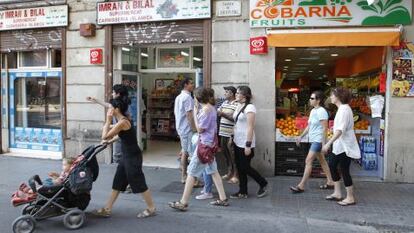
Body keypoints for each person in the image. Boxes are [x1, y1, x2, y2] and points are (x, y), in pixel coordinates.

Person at [92, 96, 156, 218]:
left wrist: (107, 120)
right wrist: (110, 142)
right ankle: (108, 208)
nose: (109, 109)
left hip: (132, 156)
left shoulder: (122, 122)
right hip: (126, 156)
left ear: (117, 109)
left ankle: (151, 208)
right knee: (118, 181)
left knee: (139, 182)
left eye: (110, 107)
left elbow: (105, 136)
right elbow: (122, 136)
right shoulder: (123, 120)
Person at [169, 87, 229, 211]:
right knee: (213, 171)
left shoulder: (206, 110)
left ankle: (183, 202)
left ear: (198, 98)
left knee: (191, 173)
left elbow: (200, 129)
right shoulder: (210, 108)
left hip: (204, 145)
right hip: (210, 144)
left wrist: (196, 115)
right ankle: (223, 198)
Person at [322, 87, 361, 206]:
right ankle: (337, 193)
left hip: (345, 145)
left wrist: (328, 143)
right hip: (340, 144)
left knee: (344, 170)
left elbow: (340, 130)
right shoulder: (342, 109)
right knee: (332, 165)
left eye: (332, 95)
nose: (331, 97)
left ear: (338, 96)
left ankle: (350, 197)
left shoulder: (344, 109)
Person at [290, 91, 334, 193]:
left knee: (308, 161)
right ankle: (330, 181)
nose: (310, 100)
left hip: (318, 141)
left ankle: (301, 186)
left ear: (318, 100)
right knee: (322, 161)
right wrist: (301, 136)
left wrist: (324, 144)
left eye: (312, 98)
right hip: (313, 139)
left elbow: (324, 128)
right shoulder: (313, 111)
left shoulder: (322, 111)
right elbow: (309, 126)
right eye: (310, 98)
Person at [230, 86, 268, 199]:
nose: (236, 95)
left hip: (246, 142)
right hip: (237, 140)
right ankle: (243, 191)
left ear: (245, 95)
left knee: (245, 167)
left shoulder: (250, 107)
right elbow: (237, 124)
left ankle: (262, 182)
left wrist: (248, 145)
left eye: (238, 93)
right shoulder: (238, 106)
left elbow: (250, 127)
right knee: (240, 167)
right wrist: (232, 137)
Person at [86, 84, 129, 164]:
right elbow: (121, 133)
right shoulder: (121, 107)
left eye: (113, 92)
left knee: (119, 158)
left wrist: (108, 121)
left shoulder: (123, 116)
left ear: (118, 94)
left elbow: (104, 137)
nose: (112, 94)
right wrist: (95, 100)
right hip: (128, 154)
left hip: (129, 154)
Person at [174, 77, 197, 184]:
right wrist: (194, 129)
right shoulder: (187, 98)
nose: (193, 85)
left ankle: (185, 174)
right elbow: (189, 115)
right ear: (185, 85)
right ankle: (186, 176)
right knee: (188, 153)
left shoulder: (179, 97)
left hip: (181, 128)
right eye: (191, 83)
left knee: (184, 151)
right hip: (187, 129)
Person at [217, 86, 239, 184]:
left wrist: (223, 114)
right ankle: (229, 171)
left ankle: (236, 174)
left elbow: (236, 118)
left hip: (231, 134)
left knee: (233, 155)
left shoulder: (238, 104)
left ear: (232, 93)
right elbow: (218, 112)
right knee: (225, 153)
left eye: (226, 92)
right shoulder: (224, 102)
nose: (224, 94)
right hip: (222, 132)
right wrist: (221, 113)